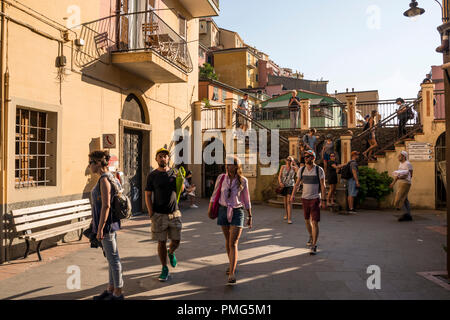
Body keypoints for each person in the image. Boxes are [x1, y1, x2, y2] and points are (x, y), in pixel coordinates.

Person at [208, 156, 252, 284]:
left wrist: (250, 216)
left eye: (230, 165)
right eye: (226, 164)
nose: (227, 167)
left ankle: (232, 273)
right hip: (222, 210)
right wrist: (210, 209)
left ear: (236, 166)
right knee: (228, 240)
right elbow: (214, 194)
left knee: (233, 242)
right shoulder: (221, 178)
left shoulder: (243, 181)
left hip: (237, 212)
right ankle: (232, 263)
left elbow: (246, 200)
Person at [89, 150, 124, 300]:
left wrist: (101, 228)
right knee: (110, 258)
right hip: (107, 225)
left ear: (97, 163)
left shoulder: (104, 180)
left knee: (114, 258)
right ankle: (110, 289)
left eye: (91, 162)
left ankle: (118, 292)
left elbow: (106, 206)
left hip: (107, 226)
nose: (89, 165)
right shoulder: (109, 177)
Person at [145, 148, 184, 282]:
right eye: (160, 156)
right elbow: (148, 195)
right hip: (159, 215)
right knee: (161, 242)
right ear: (156, 159)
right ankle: (164, 268)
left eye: (165, 156)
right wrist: (151, 213)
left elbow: (180, 190)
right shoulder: (152, 175)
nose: (163, 158)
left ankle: (171, 252)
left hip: (174, 213)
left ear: (168, 159)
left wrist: (181, 180)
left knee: (176, 240)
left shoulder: (174, 172)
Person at [291, 150, 326, 255]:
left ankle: (314, 245)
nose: (306, 158)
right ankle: (311, 235)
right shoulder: (301, 170)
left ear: (313, 158)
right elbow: (297, 184)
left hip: (315, 198)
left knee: (314, 221)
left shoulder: (319, 170)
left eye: (308, 156)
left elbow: (323, 186)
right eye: (305, 157)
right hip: (304, 199)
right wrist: (292, 195)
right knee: (307, 221)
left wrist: (324, 200)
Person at [390, 151, 414, 222]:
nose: (398, 157)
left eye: (399, 156)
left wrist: (402, 176)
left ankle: (405, 214)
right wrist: (393, 183)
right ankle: (408, 215)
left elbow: (410, 174)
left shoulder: (408, 164)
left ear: (404, 156)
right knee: (405, 199)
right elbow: (398, 175)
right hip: (401, 182)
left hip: (406, 183)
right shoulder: (400, 164)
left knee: (399, 198)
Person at [278, 156, 298, 224]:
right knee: (285, 202)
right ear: (286, 160)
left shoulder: (294, 168)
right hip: (283, 185)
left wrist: (295, 163)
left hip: (291, 185)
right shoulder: (282, 167)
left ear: (292, 161)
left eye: (290, 160)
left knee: (289, 201)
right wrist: (280, 182)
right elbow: (279, 176)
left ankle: (289, 218)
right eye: (287, 160)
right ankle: (286, 214)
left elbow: (299, 172)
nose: (288, 161)